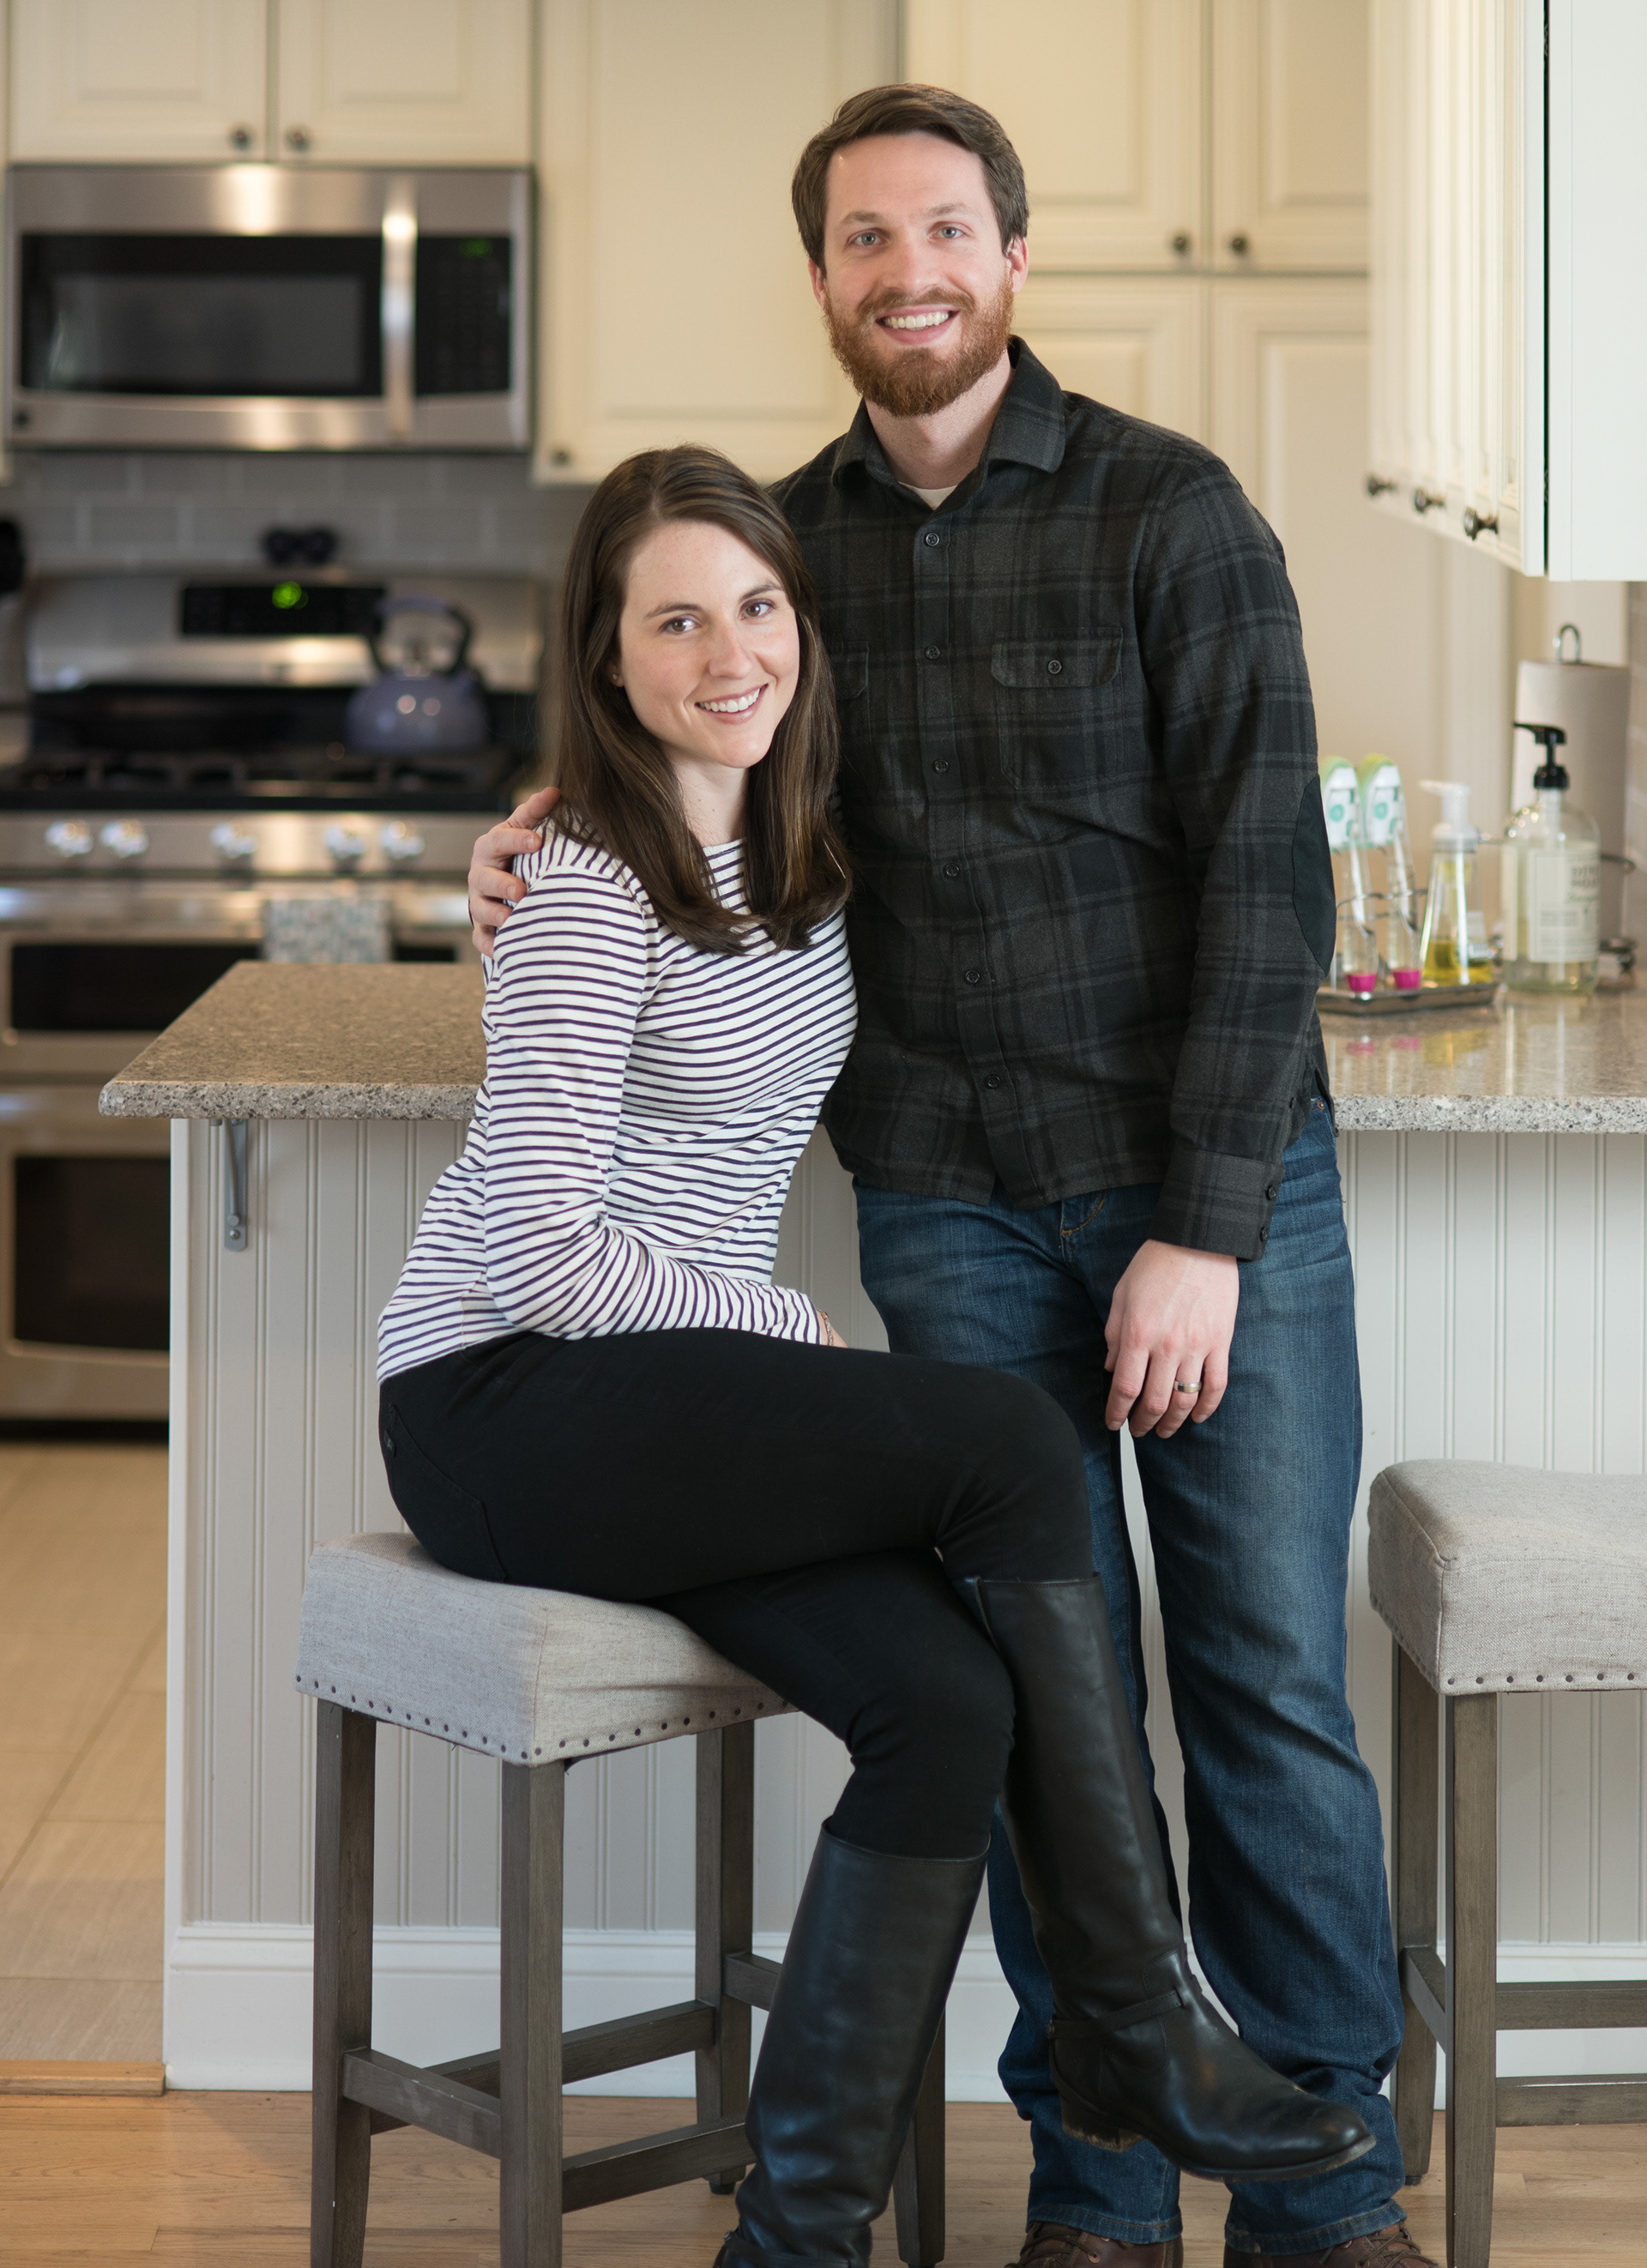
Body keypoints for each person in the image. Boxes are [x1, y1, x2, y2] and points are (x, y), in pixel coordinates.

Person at [468, 86, 1426, 2268]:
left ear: (1014, 255)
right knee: (1044, 1705)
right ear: (822, 275)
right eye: (865, 237)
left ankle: (1328, 2193)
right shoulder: (789, 556)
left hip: (1215, 1200)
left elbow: (1271, 891)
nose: (910, 271)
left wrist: (1199, 1228)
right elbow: (686, 722)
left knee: (1265, 1681)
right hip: (953, 1206)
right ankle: (1100, 2190)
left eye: (947, 230)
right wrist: (528, 831)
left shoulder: (1175, 512)